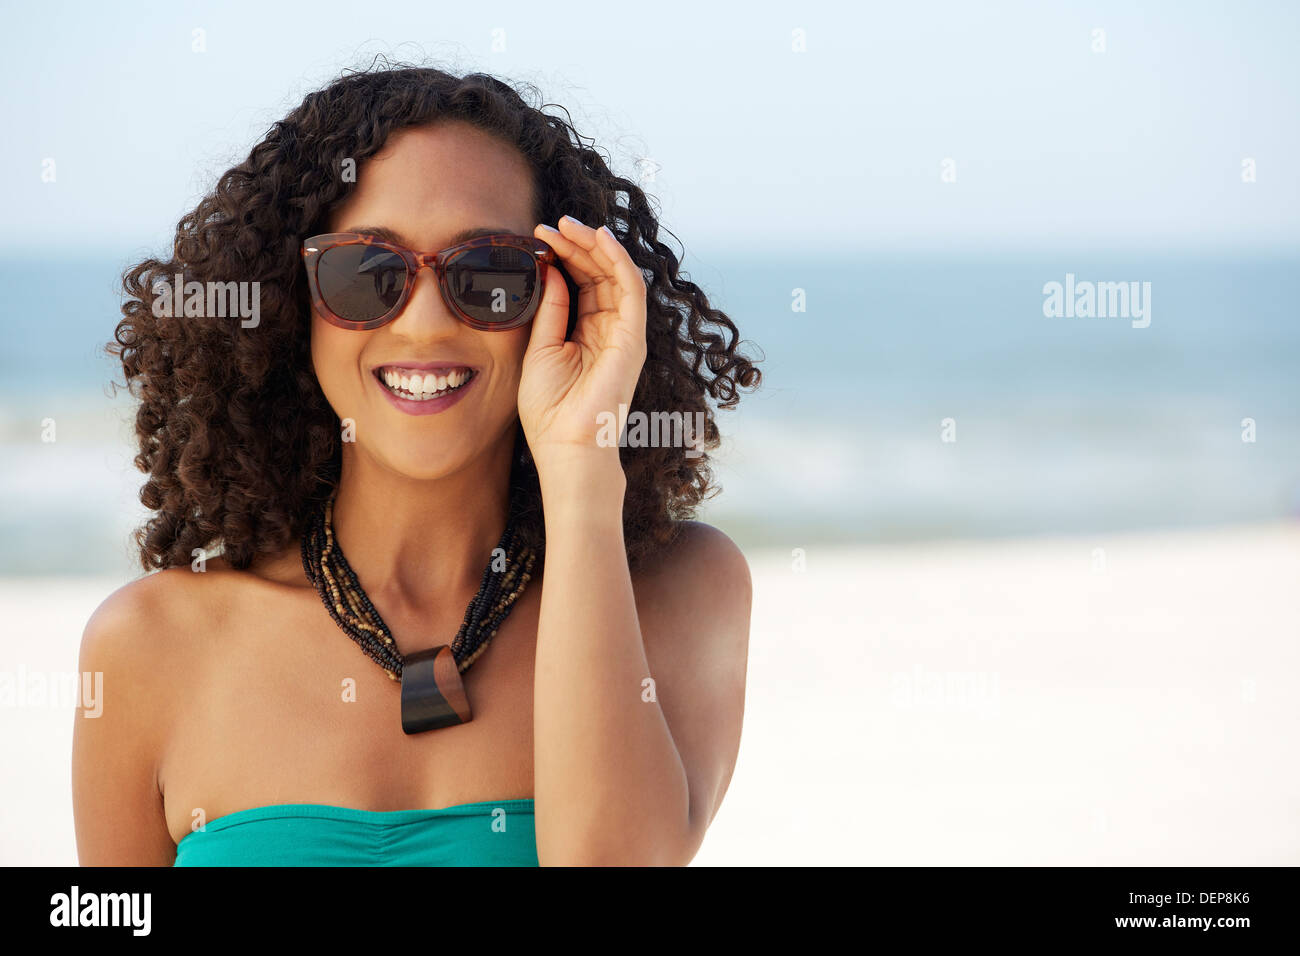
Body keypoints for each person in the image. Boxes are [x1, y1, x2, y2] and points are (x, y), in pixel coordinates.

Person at [72, 64, 761, 866]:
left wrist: (580, 469)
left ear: (565, 295)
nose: (426, 324)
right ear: (294, 304)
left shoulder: (678, 595)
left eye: (491, 275)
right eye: (367, 273)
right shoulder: (146, 648)